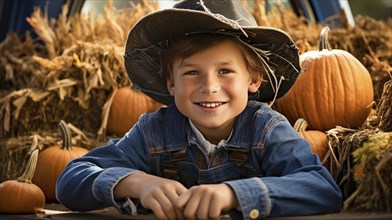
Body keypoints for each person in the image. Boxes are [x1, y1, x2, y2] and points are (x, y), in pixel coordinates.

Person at [56, 0, 342, 219]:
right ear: (171, 83)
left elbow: (322, 189)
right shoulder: (154, 132)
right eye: (192, 73)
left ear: (253, 80)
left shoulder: (266, 129)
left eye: (225, 71)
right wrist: (133, 182)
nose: (209, 86)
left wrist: (234, 193)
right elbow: (70, 179)